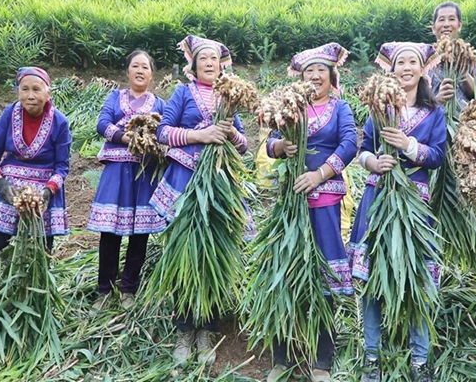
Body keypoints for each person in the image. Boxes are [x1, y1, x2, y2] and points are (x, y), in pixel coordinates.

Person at [149, 35, 250, 366]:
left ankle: (207, 329)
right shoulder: (182, 93)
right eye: (203, 58)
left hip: (219, 188)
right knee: (185, 254)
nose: (209, 62)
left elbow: (244, 145)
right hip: (184, 183)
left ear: (223, 66)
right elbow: (163, 132)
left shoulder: (228, 97)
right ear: (193, 65)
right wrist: (200, 136)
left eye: (215, 59)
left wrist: (230, 133)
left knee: (213, 255)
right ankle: (183, 330)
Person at [350, 42, 446, 382]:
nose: (406, 67)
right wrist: (373, 161)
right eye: (400, 62)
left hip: (416, 205)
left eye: (413, 62)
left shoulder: (434, 113)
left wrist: (408, 146)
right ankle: (371, 356)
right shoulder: (377, 107)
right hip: (377, 200)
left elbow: (437, 157)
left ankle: (420, 359)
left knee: (418, 279)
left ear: (423, 70)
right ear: (390, 70)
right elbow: (362, 149)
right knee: (373, 278)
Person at [265, 42, 358, 382]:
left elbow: (350, 143)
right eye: (309, 71)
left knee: (322, 278)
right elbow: (269, 143)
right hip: (289, 205)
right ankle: (282, 355)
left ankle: (321, 360)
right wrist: (281, 146)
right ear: (301, 78)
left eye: (321, 70)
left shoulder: (340, 108)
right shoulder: (291, 107)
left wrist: (320, 174)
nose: (315, 76)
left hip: (325, 204)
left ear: (331, 76)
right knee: (285, 274)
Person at [87, 50, 167, 316]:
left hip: (144, 174)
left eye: (145, 66)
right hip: (116, 170)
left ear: (151, 74)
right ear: (128, 71)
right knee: (109, 231)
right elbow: (102, 124)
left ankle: (129, 289)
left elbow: (165, 132)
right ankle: (104, 290)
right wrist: (127, 139)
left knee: (138, 233)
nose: (140, 70)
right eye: (135, 66)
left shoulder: (159, 104)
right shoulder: (115, 97)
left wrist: (153, 145)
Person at [430, 0, 476, 276]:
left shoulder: (469, 58)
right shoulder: (424, 60)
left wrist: (463, 74)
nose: (446, 24)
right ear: (433, 26)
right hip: (437, 141)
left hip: (469, 140)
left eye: (451, 20)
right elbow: (415, 102)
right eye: (441, 20)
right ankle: (445, 270)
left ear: (459, 25)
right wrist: (436, 100)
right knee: (442, 200)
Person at [0, 67, 72, 297]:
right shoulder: (9, 114)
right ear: (18, 92)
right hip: (11, 188)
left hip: (43, 192)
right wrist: (0, 182)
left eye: (36, 89)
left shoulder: (60, 123)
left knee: (40, 253)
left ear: (48, 93)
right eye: (24, 89)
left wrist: (47, 192)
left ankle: (35, 299)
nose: (30, 95)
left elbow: (62, 166)